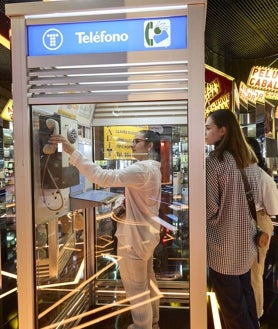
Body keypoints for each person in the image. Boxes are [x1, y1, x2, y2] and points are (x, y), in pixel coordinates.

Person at [49, 130, 162, 329]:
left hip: (134, 241)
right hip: (147, 236)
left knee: (137, 289)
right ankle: (153, 322)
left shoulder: (142, 169)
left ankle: (143, 326)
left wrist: (71, 150)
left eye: (137, 141)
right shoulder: (153, 168)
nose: (132, 145)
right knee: (147, 281)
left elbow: (102, 177)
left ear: (150, 145)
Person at [205, 109, 260, 329]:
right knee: (247, 304)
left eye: (208, 128)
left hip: (223, 250)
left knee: (233, 312)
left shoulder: (215, 161)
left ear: (222, 131)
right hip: (245, 247)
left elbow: (209, 207)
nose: (205, 132)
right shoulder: (249, 160)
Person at [246, 137, 278, 319]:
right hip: (260, 221)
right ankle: (254, 315)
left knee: (251, 272)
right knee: (254, 272)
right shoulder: (263, 176)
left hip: (257, 223)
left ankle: (254, 314)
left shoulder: (241, 174)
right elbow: (273, 209)